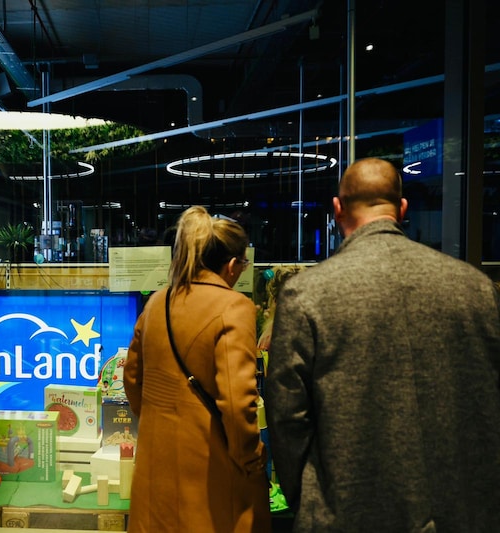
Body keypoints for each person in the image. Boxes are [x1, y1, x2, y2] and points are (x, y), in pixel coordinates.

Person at [264, 157, 500, 532]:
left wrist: (308, 499)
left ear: (338, 209)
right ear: (402, 209)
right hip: (462, 513)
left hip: (346, 513)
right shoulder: (476, 289)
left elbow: (287, 419)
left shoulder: (306, 295)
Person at [124, 205, 271, 533]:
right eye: (243, 264)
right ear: (232, 265)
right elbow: (236, 402)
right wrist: (252, 459)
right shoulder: (234, 307)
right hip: (209, 476)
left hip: (154, 470)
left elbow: (132, 380)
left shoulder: (157, 301)